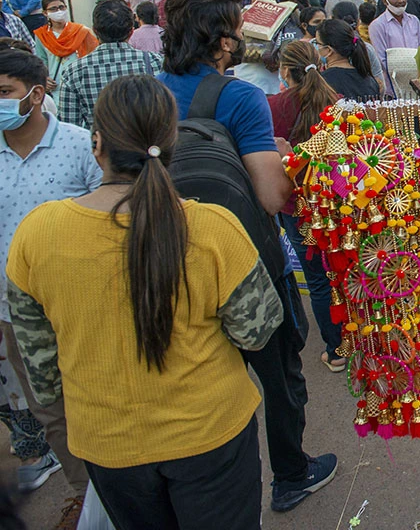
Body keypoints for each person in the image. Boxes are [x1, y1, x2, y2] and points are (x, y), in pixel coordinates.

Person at [6, 74, 282, 529]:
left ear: (97, 145)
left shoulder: (37, 233)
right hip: (210, 433)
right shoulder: (212, 227)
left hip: (107, 443)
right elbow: (257, 331)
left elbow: (42, 370)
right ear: (172, 142)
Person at [157, 0, 336, 513]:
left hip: (165, 257)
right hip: (247, 263)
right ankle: (290, 473)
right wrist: (283, 156)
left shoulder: (147, 91)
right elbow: (272, 194)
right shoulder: (239, 98)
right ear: (225, 40)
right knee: (278, 375)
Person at [0, 48, 100, 524]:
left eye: (4, 93)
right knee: (51, 409)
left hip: (84, 305)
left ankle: (121, 487)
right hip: (16, 314)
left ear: (36, 95)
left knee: (99, 398)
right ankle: (86, 495)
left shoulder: (81, 146)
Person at [268, 40, 345, 373]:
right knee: (343, 269)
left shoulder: (273, 106)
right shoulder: (338, 102)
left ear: (285, 70)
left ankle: (337, 349)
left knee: (317, 280)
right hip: (337, 201)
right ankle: (360, 338)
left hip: (296, 206)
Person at [56, 0, 162, 129]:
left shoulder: (74, 72)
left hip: (99, 147)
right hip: (146, 145)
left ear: (95, 31)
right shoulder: (155, 62)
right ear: (131, 31)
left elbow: (69, 127)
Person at [369, 0, 420, 96]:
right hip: (392, 86)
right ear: (385, 0)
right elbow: (382, 59)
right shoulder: (377, 25)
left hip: (416, 84)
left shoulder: (414, 21)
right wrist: (403, 74)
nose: (400, 1)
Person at [34, 0, 98, 87]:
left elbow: (93, 55)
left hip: (81, 82)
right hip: (56, 85)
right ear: (45, 13)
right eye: (53, 9)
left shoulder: (81, 31)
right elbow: (42, 61)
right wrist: (44, 79)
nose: (59, 11)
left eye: (61, 7)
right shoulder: (41, 35)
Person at [318, 18, 381, 101]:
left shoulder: (322, 82)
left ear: (328, 50)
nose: (316, 48)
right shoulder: (370, 81)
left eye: (317, 43)